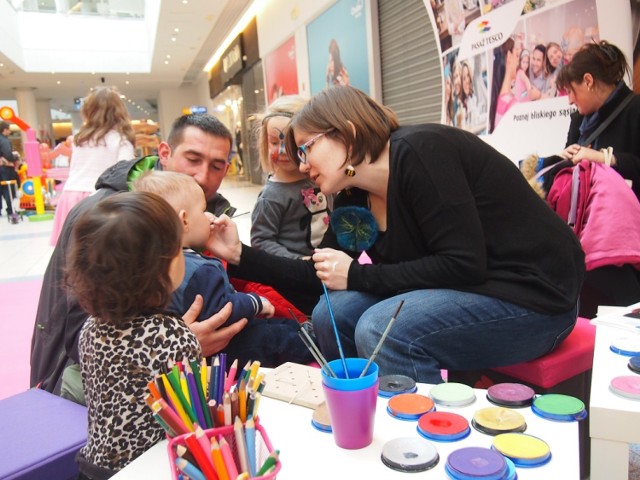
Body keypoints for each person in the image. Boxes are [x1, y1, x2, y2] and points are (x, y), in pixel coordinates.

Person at [206, 85, 585, 384]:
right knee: (330, 314)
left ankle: (423, 443)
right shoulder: (352, 193)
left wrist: (356, 275)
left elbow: (464, 264)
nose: (302, 164)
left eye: (306, 148)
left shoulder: (422, 152)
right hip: (473, 289)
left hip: (536, 298)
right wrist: (240, 254)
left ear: (348, 133)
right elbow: (319, 281)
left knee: (381, 328)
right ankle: (369, 415)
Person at [30, 113, 244, 400]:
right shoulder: (110, 218)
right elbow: (80, 331)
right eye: (193, 159)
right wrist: (177, 346)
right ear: (165, 153)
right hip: (106, 399)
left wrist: (239, 256)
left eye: (217, 166)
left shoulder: (209, 213)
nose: (203, 176)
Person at [66, 191, 202, 479]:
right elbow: (194, 418)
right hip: (149, 468)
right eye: (178, 249)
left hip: (93, 466)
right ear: (160, 266)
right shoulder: (173, 336)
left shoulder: (90, 328)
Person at [133, 170, 313, 368]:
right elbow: (223, 309)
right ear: (184, 221)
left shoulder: (145, 268)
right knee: (274, 338)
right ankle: (312, 342)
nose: (210, 216)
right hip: (228, 345)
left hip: (193, 352)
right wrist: (257, 302)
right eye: (203, 210)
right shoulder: (199, 269)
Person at [555, 40, 640, 317]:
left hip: (622, 243)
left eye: (572, 90)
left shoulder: (635, 110)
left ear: (589, 81)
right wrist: (565, 158)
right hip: (581, 235)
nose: (570, 99)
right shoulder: (579, 120)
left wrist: (606, 158)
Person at [50, 86, 136, 245]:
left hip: (71, 196)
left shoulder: (79, 137)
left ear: (88, 110)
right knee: (101, 252)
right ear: (119, 110)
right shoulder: (121, 139)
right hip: (102, 198)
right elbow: (125, 175)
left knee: (71, 250)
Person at [251, 95, 331, 259]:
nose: (282, 150)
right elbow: (261, 241)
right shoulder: (271, 197)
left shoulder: (320, 176)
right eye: (274, 142)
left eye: (290, 142)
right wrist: (298, 262)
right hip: (295, 276)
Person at [0, 121, 17, 217]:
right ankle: (10, 209)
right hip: (5, 168)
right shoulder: (4, 141)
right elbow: (8, 154)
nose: (10, 132)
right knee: (8, 188)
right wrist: (15, 157)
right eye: (9, 129)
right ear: (5, 130)